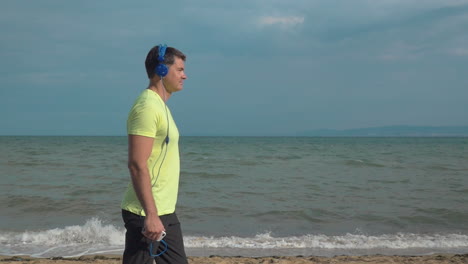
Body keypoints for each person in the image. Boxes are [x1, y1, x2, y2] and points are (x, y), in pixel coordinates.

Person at [121, 44, 188, 264]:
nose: (184, 75)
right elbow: (137, 164)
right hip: (145, 213)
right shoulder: (147, 107)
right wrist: (150, 215)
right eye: (179, 69)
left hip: (165, 210)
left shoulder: (161, 106)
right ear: (161, 70)